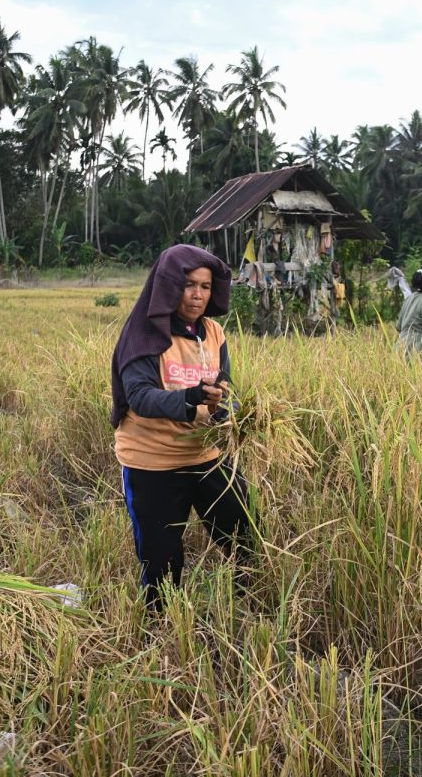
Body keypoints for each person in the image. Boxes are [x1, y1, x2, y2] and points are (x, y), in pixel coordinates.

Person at [109, 244, 251, 606]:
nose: (198, 295)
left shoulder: (214, 333)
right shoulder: (144, 333)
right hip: (153, 462)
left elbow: (225, 390)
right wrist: (190, 397)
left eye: (205, 286)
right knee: (162, 564)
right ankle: (160, 633)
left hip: (206, 455)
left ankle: (248, 609)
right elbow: (139, 395)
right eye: (189, 285)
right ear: (170, 285)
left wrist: (232, 411)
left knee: (244, 536)